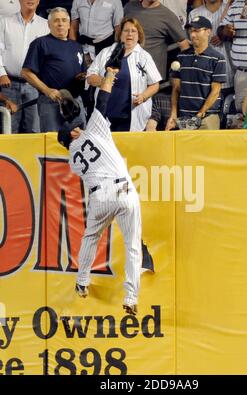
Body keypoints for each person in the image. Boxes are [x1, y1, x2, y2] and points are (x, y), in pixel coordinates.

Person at [57, 66, 142, 316]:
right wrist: (111, 76)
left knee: (91, 237)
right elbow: (103, 100)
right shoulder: (94, 131)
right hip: (123, 190)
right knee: (132, 245)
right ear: (73, 133)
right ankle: (131, 296)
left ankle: (82, 281)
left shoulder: (73, 160)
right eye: (75, 127)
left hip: (99, 197)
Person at [87, 17, 161, 132]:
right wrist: (104, 81)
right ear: (120, 34)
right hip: (105, 113)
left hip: (132, 115)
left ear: (139, 35)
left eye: (133, 31)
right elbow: (90, 77)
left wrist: (143, 96)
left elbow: (155, 85)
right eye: (126, 31)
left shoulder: (144, 56)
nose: (129, 34)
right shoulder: (105, 53)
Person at [21, 7, 86, 132]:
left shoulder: (77, 46)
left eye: (63, 20)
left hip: (75, 101)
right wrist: (47, 90)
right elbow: (26, 72)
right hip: (51, 101)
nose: (60, 23)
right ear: (49, 25)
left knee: (80, 141)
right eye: (56, 20)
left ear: (68, 24)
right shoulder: (40, 43)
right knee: (52, 142)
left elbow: (82, 74)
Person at [166, 16, 226, 131]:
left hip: (207, 118)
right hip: (184, 117)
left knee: (208, 149)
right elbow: (176, 88)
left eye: (197, 31)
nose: (192, 35)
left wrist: (200, 115)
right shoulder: (181, 57)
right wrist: (173, 114)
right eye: (191, 31)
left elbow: (216, 91)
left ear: (208, 32)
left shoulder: (218, 58)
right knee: (185, 149)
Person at [0, 0, 49, 133]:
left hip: (34, 85)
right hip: (8, 84)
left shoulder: (45, 25)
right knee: (8, 130)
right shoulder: (4, 21)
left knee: (34, 130)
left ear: (39, 1)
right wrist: (1, 73)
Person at [124, 0, 190, 81]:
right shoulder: (129, 8)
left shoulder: (168, 16)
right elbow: (120, 33)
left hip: (149, 76)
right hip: (126, 69)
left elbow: (184, 44)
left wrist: (187, 73)